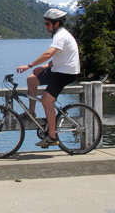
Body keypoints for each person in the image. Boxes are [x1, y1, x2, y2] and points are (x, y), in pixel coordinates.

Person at [16, 8, 80, 148]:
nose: (46, 26)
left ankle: (52, 136)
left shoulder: (61, 35)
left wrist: (30, 65)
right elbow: (60, 56)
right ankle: (31, 112)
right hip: (57, 69)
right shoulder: (58, 34)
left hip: (66, 73)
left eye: (47, 24)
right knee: (31, 79)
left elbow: (49, 53)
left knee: (46, 100)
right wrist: (45, 67)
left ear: (56, 24)